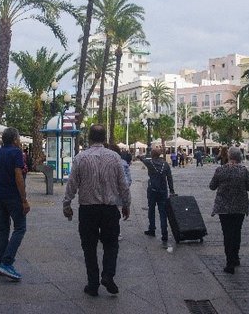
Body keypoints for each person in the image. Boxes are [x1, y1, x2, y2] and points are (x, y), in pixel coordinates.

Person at [63, 125, 131, 297]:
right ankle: (108, 275)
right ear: (104, 138)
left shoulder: (80, 158)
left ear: (90, 138)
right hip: (109, 209)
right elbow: (123, 184)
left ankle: (93, 283)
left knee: (89, 247)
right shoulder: (115, 157)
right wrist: (126, 204)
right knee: (111, 244)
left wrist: (67, 204)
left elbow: (72, 184)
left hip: (88, 210)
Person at [0, 128, 30, 281]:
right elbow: (18, 175)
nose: (19, 140)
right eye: (18, 138)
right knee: (20, 228)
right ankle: (6, 262)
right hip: (13, 197)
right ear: (14, 140)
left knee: (3, 230)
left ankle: (1, 263)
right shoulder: (16, 153)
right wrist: (24, 199)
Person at [209, 146, 249, 274]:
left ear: (229, 157)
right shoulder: (243, 171)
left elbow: (212, 186)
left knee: (227, 234)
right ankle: (235, 257)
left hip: (223, 207)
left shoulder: (220, 170)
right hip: (239, 207)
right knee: (236, 232)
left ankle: (229, 262)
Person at [140, 147, 175, 249]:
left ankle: (152, 229)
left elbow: (143, 159)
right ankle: (164, 234)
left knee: (151, 209)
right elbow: (169, 178)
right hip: (163, 191)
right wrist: (172, 190)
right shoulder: (165, 164)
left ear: (152, 154)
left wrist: (140, 156)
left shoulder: (150, 163)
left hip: (152, 190)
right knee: (162, 212)